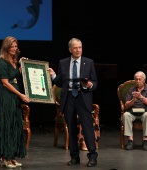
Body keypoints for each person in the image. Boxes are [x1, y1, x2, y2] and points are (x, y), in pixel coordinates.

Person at [48, 38, 98, 167]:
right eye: (75, 48)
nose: (78, 50)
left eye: (80, 47)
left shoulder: (89, 62)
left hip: (83, 97)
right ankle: (74, 157)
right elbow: (60, 82)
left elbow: (95, 83)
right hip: (69, 97)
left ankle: (92, 157)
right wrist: (53, 76)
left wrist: (89, 85)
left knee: (87, 128)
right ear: (70, 49)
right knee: (71, 129)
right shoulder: (63, 63)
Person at [0, 36, 30, 168]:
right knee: (6, 125)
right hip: (5, 97)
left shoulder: (14, 60)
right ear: (6, 47)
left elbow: (13, 76)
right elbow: (6, 83)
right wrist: (21, 95)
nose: (14, 49)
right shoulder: (2, 61)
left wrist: (21, 65)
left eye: (15, 46)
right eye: (11, 46)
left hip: (13, 97)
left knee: (13, 125)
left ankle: (11, 156)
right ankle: (5, 157)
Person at [122, 71, 147, 151]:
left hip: (145, 112)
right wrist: (134, 99)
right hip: (132, 113)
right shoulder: (131, 90)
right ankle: (130, 140)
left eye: (140, 79)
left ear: (144, 80)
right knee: (126, 115)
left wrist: (141, 97)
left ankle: (145, 140)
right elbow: (126, 105)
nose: (138, 81)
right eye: (136, 79)